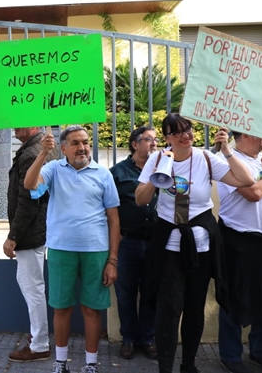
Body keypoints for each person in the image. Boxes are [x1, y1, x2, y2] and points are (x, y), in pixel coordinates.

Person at [134, 113, 253, 373]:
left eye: (188, 129)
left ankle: (188, 365)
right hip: (169, 248)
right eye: (177, 132)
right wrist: (157, 174)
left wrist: (227, 151)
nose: (185, 135)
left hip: (200, 247)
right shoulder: (157, 159)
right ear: (166, 138)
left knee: (194, 308)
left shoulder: (207, 158)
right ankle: (165, 367)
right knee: (169, 309)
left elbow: (246, 181)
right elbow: (140, 200)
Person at [24, 125, 121, 373]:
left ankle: (90, 364)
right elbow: (30, 184)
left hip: (96, 251)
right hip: (61, 250)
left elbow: (114, 219)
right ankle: (60, 362)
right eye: (75, 143)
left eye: (85, 142)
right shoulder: (54, 169)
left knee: (91, 309)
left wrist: (112, 260)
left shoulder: (103, 173)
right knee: (61, 307)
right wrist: (43, 154)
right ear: (64, 148)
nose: (83, 147)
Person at [216, 130, 262, 373]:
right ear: (247, 134)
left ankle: (261, 352)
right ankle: (230, 355)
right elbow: (254, 194)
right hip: (240, 242)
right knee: (234, 299)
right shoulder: (224, 160)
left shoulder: (261, 159)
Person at [4, 126, 58, 363]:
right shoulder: (40, 149)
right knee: (30, 283)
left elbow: (27, 200)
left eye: (20, 122)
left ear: (34, 125)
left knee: (32, 286)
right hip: (39, 228)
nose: (14, 127)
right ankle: (39, 336)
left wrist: (13, 236)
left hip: (31, 230)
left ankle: (39, 345)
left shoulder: (31, 153)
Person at [109, 126, 159, 360]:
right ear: (135, 144)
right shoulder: (117, 172)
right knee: (126, 293)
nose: (154, 143)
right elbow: (108, 208)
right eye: (149, 139)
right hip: (128, 242)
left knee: (151, 292)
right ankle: (128, 338)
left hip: (156, 242)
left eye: (156, 139)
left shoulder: (164, 169)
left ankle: (147, 338)